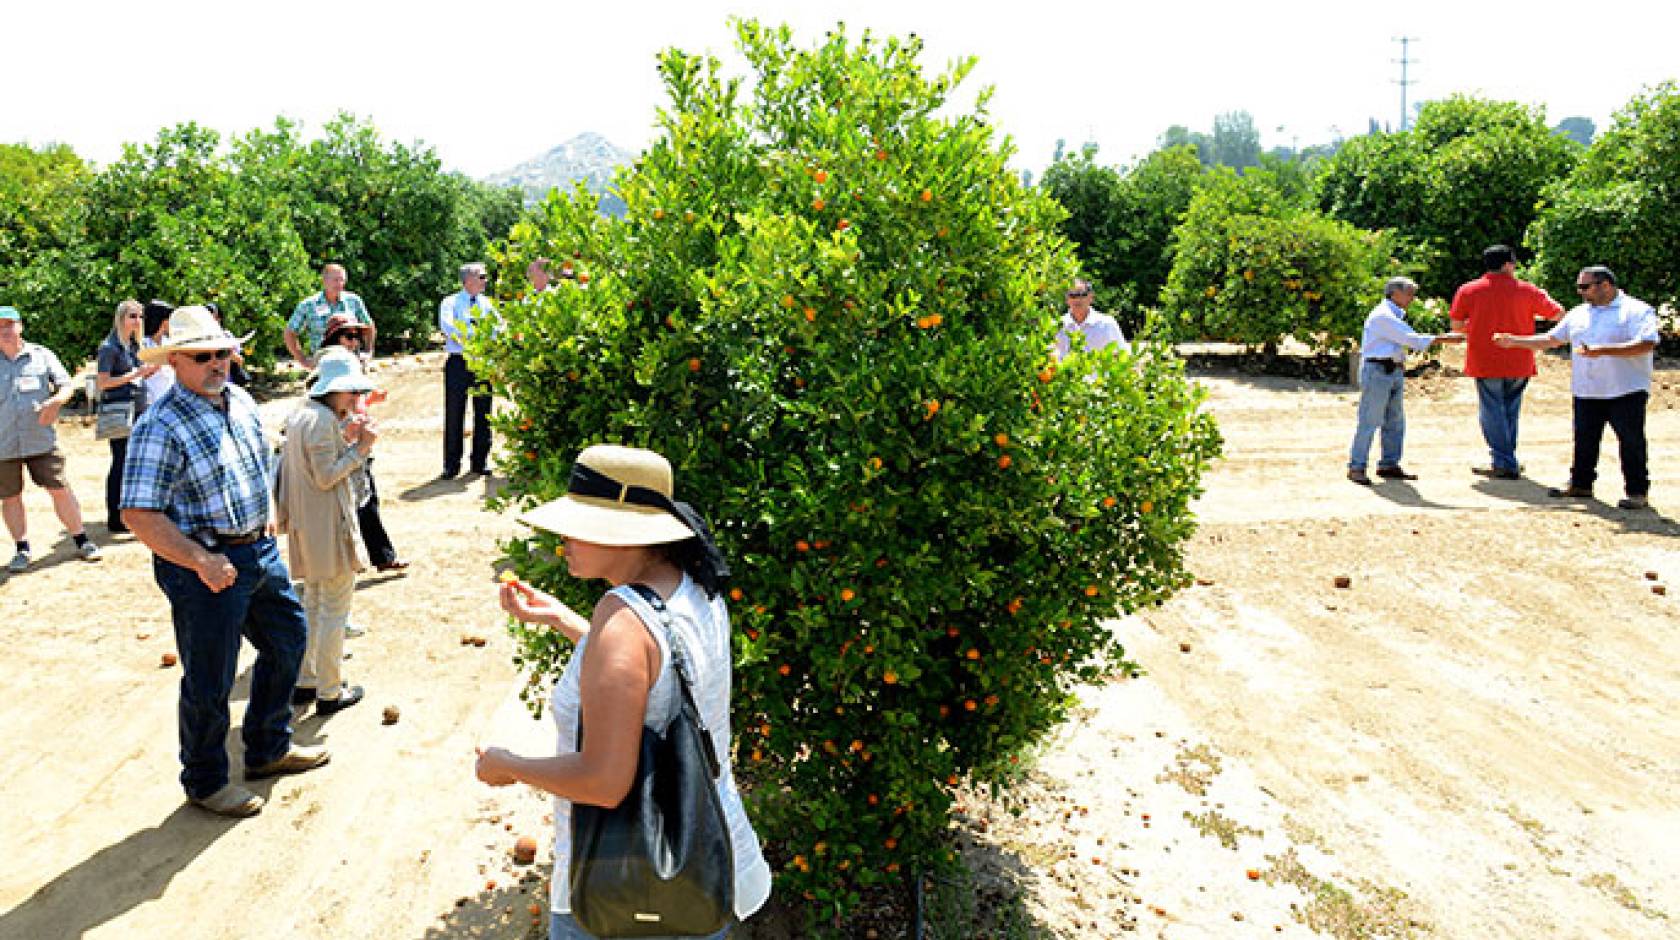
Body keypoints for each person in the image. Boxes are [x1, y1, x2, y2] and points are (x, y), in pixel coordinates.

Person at [474, 445, 772, 939]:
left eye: (578, 525)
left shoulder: (623, 620)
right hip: (706, 861)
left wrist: (507, 764)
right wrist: (562, 621)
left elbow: (605, 781)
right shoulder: (696, 586)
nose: (563, 539)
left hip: (628, 888)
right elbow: (658, 673)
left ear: (625, 535)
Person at [121, 305, 329, 817]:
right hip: (203, 566)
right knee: (210, 678)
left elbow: (258, 463)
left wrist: (269, 517)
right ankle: (206, 781)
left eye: (222, 352)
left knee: (287, 642)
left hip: (256, 549)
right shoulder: (159, 425)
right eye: (201, 356)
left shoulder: (238, 398)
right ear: (174, 361)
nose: (217, 363)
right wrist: (200, 561)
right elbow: (137, 513)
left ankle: (267, 747)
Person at [1493, 265, 1659, 509]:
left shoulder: (1636, 310)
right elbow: (1552, 339)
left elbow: (1647, 343)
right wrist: (1515, 341)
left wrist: (1603, 351)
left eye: (1585, 287)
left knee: (1631, 441)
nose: (1581, 292)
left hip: (1626, 389)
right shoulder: (1580, 313)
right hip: (1587, 389)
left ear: (1605, 285)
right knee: (1584, 439)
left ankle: (1637, 491)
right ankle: (1581, 484)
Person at [276, 349, 375, 715]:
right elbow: (326, 476)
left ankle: (307, 680)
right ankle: (330, 691)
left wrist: (347, 442)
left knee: (314, 606)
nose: (355, 399)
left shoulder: (303, 414)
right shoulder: (320, 421)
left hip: (307, 528)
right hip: (328, 529)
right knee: (333, 610)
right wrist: (361, 449)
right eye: (352, 392)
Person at [1, 306, 103, 571]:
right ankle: (21, 549)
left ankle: (82, 540)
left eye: (9, 324)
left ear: (20, 326)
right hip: (3, 442)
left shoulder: (41, 355)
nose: (5, 331)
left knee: (59, 488)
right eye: (0, 326)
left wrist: (56, 402)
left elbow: (66, 385)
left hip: (40, 438)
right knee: (10, 497)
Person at [1449, 245, 1564, 479]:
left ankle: (1503, 461)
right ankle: (1506, 458)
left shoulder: (1468, 290)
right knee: (1510, 411)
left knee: (1492, 411)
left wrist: (1478, 326)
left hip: (1484, 359)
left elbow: (1457, 327)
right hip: (1520, 357)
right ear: (1507, 264)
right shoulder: (1528, 290)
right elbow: (1559, 313)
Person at [1346, 277, 1465, 485]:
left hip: (1390, 370)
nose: (1412, 297)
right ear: (1394, 293)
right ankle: (1357, 466)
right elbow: (1412, 339)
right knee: (1370, 419)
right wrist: (1445, 338)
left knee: (1394, 420)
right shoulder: (1383, 316)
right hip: (1378, 370)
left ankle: (1388, 464)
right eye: (1409, 292)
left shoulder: (1391, 314)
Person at [320, 313, 407, 572]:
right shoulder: (327, 365)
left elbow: (352, 400)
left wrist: (367, 403)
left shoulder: (350, 363)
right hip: (345, 440)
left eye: (357, 336)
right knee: (350, 502)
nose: (354, 341)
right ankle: (367, 558)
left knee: (366, 499)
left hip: (359, 438)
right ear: (335, 338)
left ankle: (380, 557)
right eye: (349, 336)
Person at [95, 300, 160, 533]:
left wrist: (148, 372)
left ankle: (127, 515)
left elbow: (137, 377)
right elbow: (103, 382)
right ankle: (115, 517)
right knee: (121, 461)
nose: (138, 321)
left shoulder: (134, 346)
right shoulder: (109, 347)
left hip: (137, 408)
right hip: (120, 411)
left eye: (140, 316)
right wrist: (135, 374)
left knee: (132, 462)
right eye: (133, 316)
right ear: (121, 317)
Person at [439, 262, 497, 479]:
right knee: (455, 413)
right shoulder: (450, 302)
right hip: (459, 361)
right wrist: (475, 339)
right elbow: (448, 327)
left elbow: (498, 327)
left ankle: (480, 461)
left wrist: (486, 341)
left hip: (481, 362)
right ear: (468, 280)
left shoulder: (487, 304)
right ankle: (451, 464)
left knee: (484, 412)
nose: (485, 281)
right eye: (481, 277)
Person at [286, 263, 376, 370]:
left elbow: (369, 326)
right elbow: (290, 332)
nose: (339, 283)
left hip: (352, 363)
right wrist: (303, 360)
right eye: (335, 280)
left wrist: (368, 352)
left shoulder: (354, 301)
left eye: (342, 280)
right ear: (324, 281)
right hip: (322, 364)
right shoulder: (308, 305)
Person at [1053, 279, 1130, 361]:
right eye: (1073, 295)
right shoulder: (1057, 326)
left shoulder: (1107, 324)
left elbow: (1124, 354)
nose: (1077, 299)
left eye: (1082, 294)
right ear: (1067, 299)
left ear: (1091, 297)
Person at [140, 300, 177, 411]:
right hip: (149, 403)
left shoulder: (169, 343)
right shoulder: (143, 344)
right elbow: (138, 375)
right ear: (162, 321)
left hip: (170, 401)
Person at [204, 303, 250, 387]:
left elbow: (239, 360)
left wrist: (226, 352)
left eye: (212, 316)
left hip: (226, 382)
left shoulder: (226, 335)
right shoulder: (198, 337)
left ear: (219, 319)